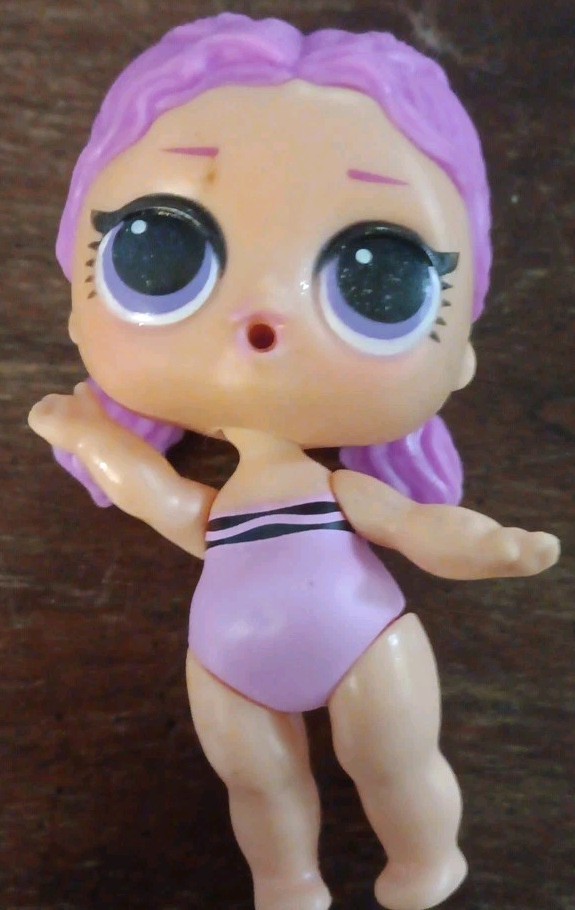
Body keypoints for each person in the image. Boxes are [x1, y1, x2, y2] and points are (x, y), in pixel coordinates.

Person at [28, 14, 560, 910]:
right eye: (158, 252)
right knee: (261, 786)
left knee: (396, 762)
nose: (266, 317)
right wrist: (87, 437)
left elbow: (414, 527)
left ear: (460, 354)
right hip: (225, 661)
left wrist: (488, 549)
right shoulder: (233, 508)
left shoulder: (342, 492)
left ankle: (428, 861)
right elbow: (161, 500)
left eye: (377, 279)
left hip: (365, 641)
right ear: (79, 310)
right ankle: (287, 881)